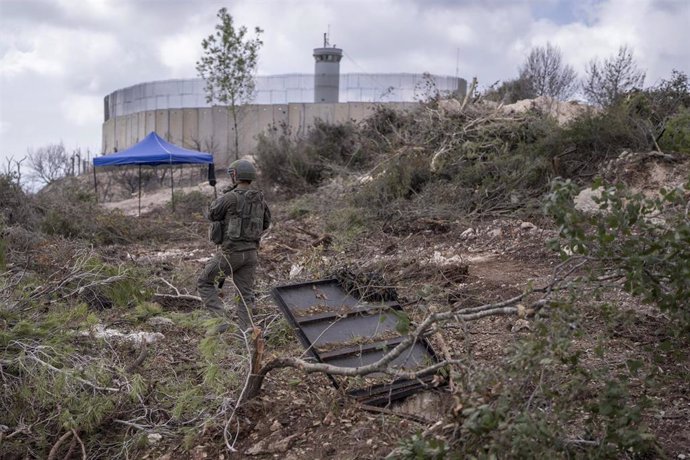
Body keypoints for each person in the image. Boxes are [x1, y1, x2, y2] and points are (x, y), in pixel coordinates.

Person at [197, 159, 271, 333]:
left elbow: (213, 214)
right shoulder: (260, 198)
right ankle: (244, 337)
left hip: (231, 254)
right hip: (251, 255)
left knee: (204, 282)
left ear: (235, 176)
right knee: (245, 296)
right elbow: (266, 223)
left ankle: (220, 321)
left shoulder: (229, 197)